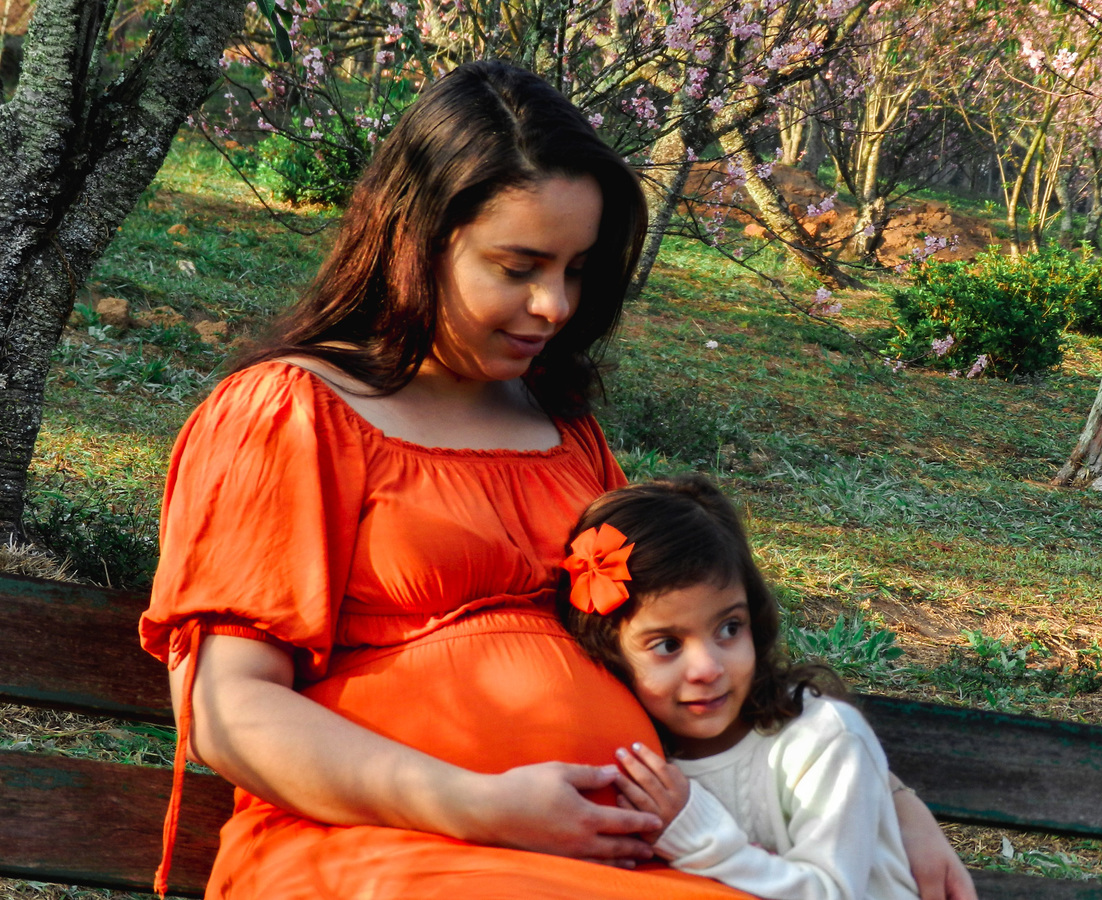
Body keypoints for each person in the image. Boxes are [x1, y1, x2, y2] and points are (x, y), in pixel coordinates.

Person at [139, 60, 977, 900]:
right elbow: (228, 710)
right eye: (519, 267)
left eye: (575, 269)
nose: (556, 305)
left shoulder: (563, 430)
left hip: (624, 861)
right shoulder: (290, 415)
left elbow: (685, 631)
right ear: (415, 241)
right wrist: (474, 805)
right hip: (384, 852)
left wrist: (886, 795)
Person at [558, 475, 927, 900]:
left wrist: (696, 832)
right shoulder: (641, 761)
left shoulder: (821, 740)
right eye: (668, 645)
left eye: (729, 628)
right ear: (609, 652)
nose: (707, 668)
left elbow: (832, 893)